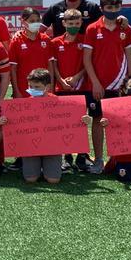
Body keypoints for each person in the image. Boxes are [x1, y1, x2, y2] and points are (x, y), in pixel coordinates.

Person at [0, 68, 92, 185]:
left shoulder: (58, 102)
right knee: (30, 179)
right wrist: (4, 121)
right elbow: (15, 123)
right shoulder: (24, 105)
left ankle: (47, 167)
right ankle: (37, 167)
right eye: (30, 86)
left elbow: (71, 119)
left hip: (52, 147)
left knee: (53, 180)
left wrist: (85, 119)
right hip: (31, 148)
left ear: (47, 87)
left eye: (37, 87)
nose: (32, 90)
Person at [82, 0, 131, 173]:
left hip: (119, 85)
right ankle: (98, 160)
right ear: (101, 8)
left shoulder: (126, 29)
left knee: (118, 122)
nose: (113, 10)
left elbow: (129, 56)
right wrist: (95, 83)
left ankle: (117, 159)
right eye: (109, 7)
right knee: (97, 120)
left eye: (116, 7)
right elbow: (87, 60)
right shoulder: (92, 29)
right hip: (97, 85)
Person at [49, 9, 92, 172]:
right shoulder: (55, 42)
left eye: (76, 23)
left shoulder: (85, 41)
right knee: (65, 124)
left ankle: (81, 156)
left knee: (81, 122)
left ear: (81, 23)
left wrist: (75, 78)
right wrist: (61, 81)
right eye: (70, 23)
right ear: (64, 23)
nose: (73, 26)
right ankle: (66, 157)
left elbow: (88, 64)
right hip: (62, 89)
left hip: (81, 88)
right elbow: (54, 66)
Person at [9, 7, 54, 98]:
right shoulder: (16, 41)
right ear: (23, 21)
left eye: (38, 20)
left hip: (43, 89)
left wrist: (51, 86)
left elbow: (50, 65)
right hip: (23, 90)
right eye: (32, 21)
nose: (36, 23)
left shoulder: (46, 39)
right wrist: (16, 90)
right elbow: (13, 69)